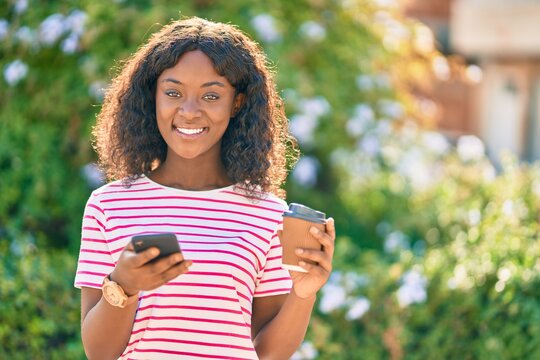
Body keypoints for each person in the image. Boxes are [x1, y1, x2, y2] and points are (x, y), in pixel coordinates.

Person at [74, 16, 336, 360]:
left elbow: (268, 353)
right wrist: (123, 284)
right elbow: (99, 353)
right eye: (173, 92)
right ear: (152, 97)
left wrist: (304, 293)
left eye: (211, 95)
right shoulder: (108, 205)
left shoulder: (268, 215)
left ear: (237, 103)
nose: (189, 111)